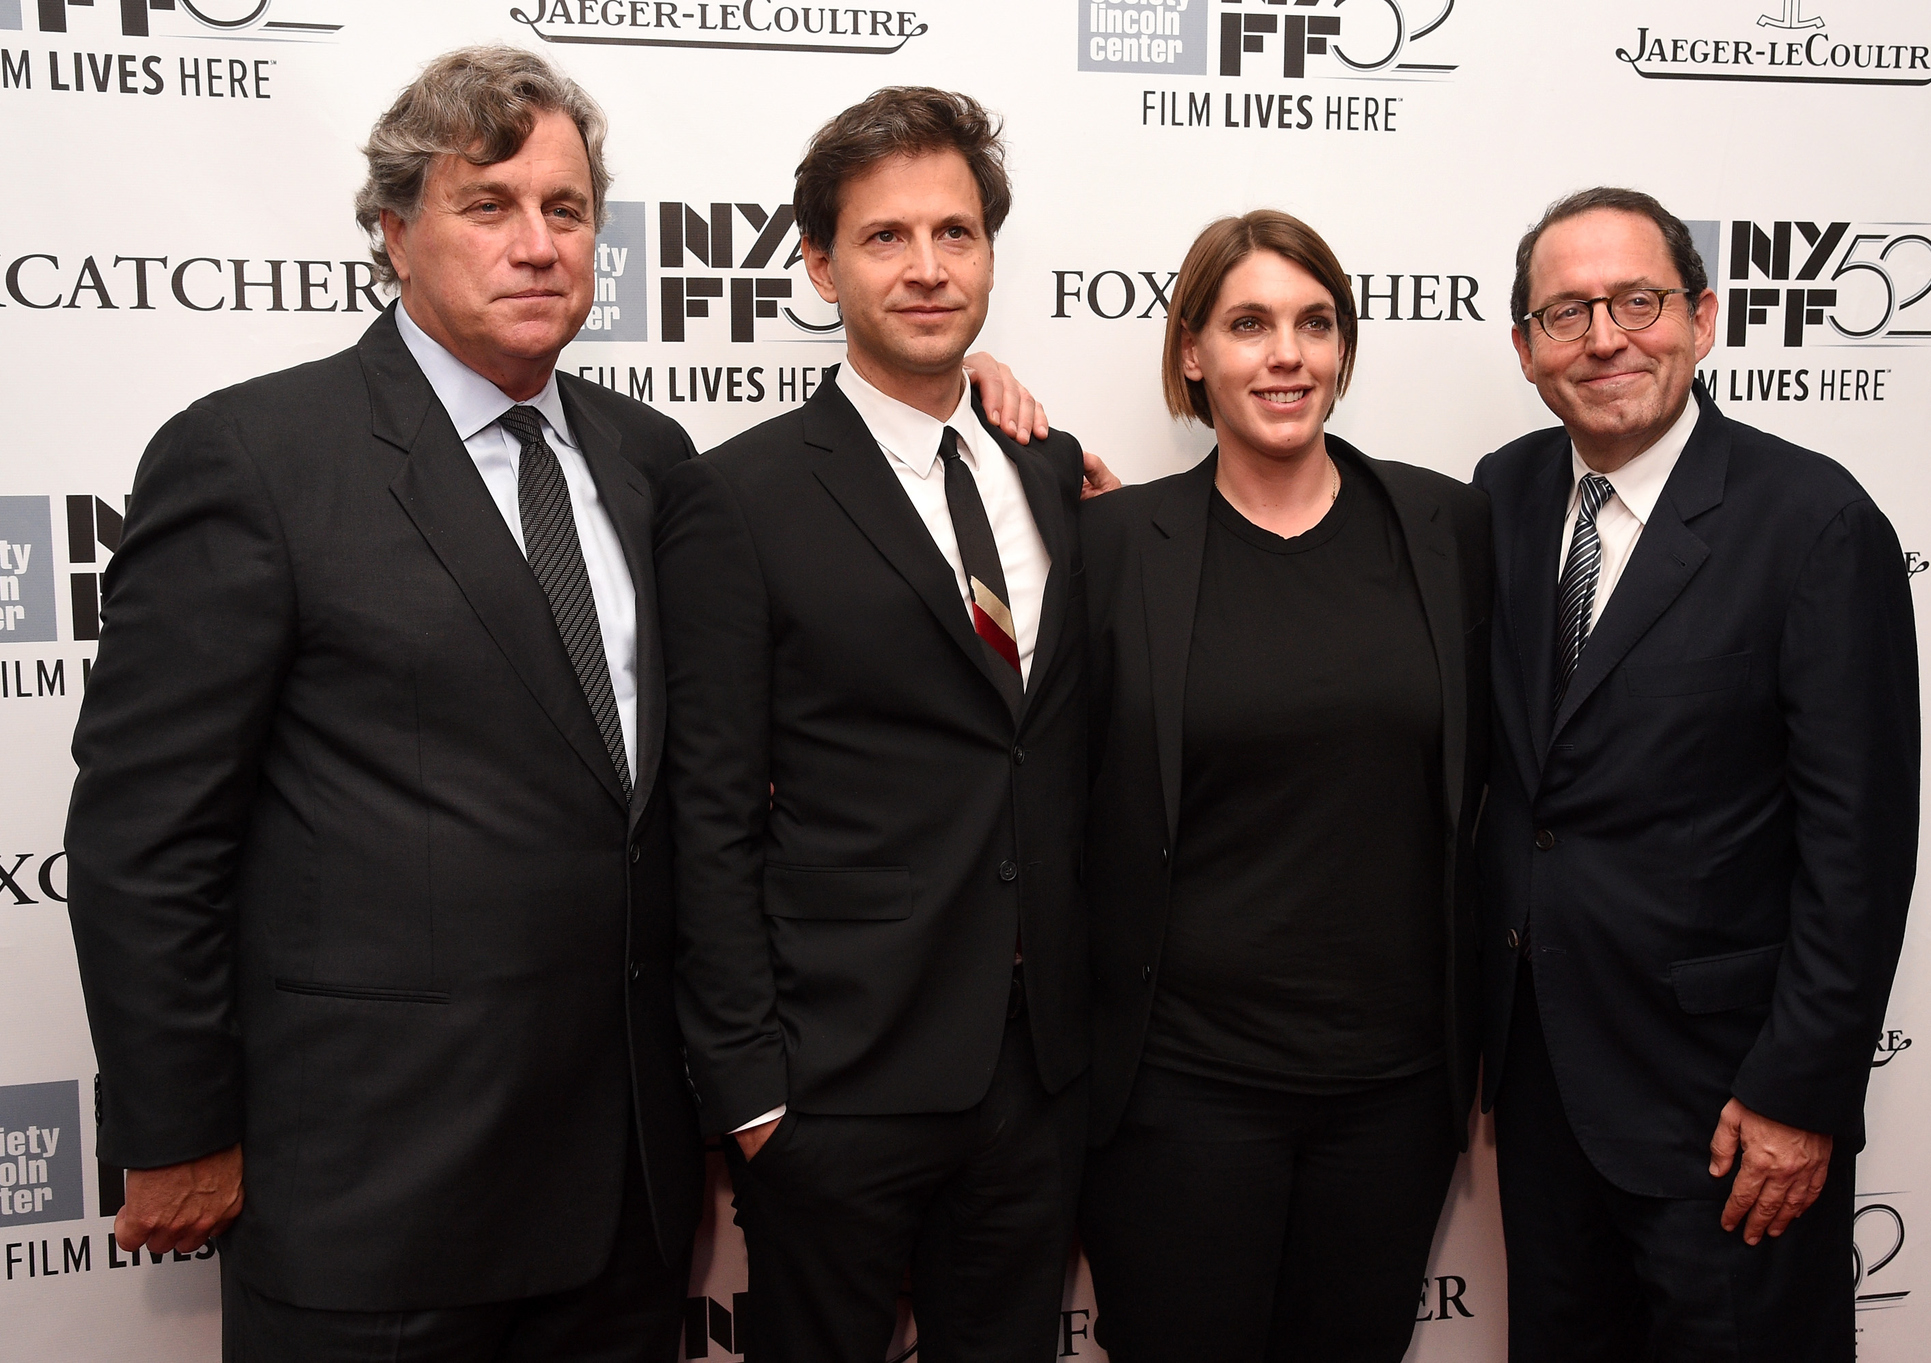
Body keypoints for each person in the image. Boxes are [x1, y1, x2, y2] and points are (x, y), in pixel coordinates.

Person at [62, 47, 1047, 1362]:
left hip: (621, 1201)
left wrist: (978, 421)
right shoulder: (254, 459)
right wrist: (177, 1126)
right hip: (374, 1199)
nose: (538, 244)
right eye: (490, 205)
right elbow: (147, 835)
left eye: (568, 210)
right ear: (394, 232)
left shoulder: (650, 461)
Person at [658, 88, 1097, 1363]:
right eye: (885, 237)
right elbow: (709, 803)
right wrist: (750, 1087)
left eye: (953, 233)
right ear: (818, 263)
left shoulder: (1051, 472)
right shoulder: (734, 496)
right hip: (835, 1077)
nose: (926, 266)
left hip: (1038, 1074)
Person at [1473, 187, 1919, 1361]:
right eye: (1565, 313)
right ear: (1523, 350)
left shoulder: (1812, 521)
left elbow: (1857, 846)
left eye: (1636, 301)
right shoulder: (1503, 498)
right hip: (1545, 1093)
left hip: (1729, 1113)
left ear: (1703, 318)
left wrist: (1800, 1095)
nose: (1605, 337)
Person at [1075, 210, 1492, 1363]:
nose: (1286, 355)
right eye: (1247, 323)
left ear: (1345, 349)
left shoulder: (1447, 526)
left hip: (1393, 1096)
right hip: (1180, 1096)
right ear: (1192, 353)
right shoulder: (1114, 550)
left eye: (1315, 323)